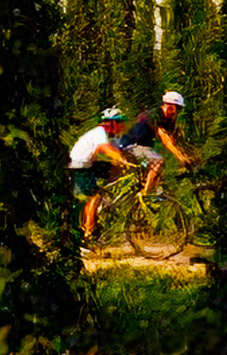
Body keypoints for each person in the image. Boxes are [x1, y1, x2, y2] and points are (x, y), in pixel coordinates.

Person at [70, 106, 134, 242]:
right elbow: (105, 149)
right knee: (93, 197)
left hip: (90, 164)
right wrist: (120, 158)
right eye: (119, 122)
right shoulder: (100, 132)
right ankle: (89, 232)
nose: (122, 125)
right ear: (112, 123)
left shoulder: (112, 136)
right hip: (79, 165)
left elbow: (120, 151)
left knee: (117, 168)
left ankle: (107, 195)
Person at [118, 90, 198, 196]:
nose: (176, 112)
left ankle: (147, 193)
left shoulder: (168, 119)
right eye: (176, 108)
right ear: (168, 105)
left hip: (142, 147)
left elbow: (174, 140)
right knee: (158, 161)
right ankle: (147, 195)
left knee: (158, 173)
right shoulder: (154, 115)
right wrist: (181, 157)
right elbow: (166, 139)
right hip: (130, 146)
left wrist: (188, 155)